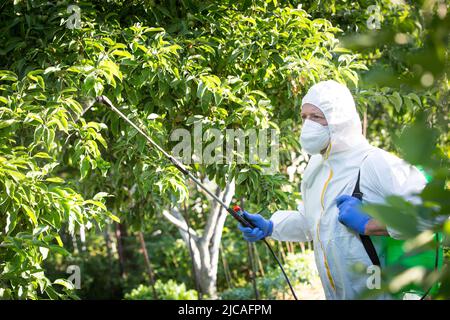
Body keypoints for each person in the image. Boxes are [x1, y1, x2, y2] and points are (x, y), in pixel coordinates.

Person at [238, 80, 429, 300]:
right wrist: (271, 226)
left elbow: (431, 212)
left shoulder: (374, 162)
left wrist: (371, 225)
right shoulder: (315, 168)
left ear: (340, 120)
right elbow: (314, 223)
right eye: (304, 117)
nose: (308, 124)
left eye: (317, 117)